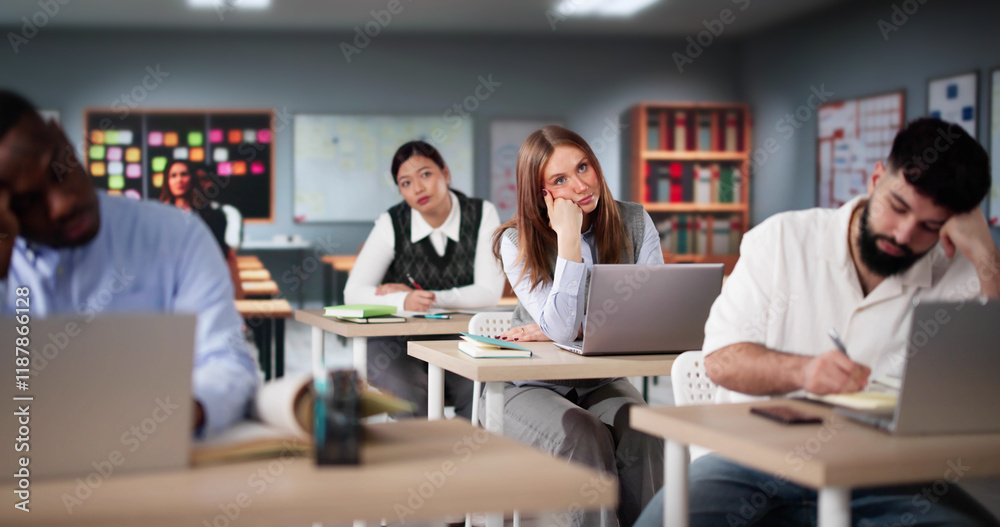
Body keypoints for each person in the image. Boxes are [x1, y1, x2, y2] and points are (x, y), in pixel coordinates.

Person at [634, 118, 1000, 526]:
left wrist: (987, 256)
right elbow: (720, 360)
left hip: (885, 477)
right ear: (876, 178)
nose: (902, 234)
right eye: (898, 207)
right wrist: (803, 372)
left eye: (929, 226)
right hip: (749, 463)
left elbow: (989, 388)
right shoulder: (781, 240)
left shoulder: (961, 269)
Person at [0, 90, 258, 436]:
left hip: (157, 448)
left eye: (59, 170)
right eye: (28, 202)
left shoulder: (176, 235)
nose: (62, 205)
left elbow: (226, 361)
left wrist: (171, 415)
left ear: (62, 137)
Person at [490, 125, 664, 527]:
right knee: (585, 436)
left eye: (583, 167)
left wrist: (566, 327)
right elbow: (565, 330)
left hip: (601, 381)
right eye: (560, 180)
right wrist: (568, 237)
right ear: (541, 194)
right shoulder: (515, 241)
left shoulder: (635, 222)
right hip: (525, 386)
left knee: (646, 432)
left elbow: (652, 316)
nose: (581, 185)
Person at [344, 140, 504, 418]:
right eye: (405, 183)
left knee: (477, 390)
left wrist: (427, 298)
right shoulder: (392, 222)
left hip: (460, 336)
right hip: (394, 340)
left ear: (446, 174)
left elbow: (489, 291)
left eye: (426, 174)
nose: (417, 188)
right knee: (408, 392)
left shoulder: (481, 213)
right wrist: (403, 300)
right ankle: (423, 448)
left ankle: (465, 448)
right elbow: (353, 293)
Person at [160, 160, 244, 299]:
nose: (179, 180)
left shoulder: (213, 216)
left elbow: (223, 255)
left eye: (184, 174)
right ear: (167, 181)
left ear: (193, 178)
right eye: (173, 175)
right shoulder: (159, 216)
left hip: (204, 284)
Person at [195, 167, 243, 250]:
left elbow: (232, 244)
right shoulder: (180, 214)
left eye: (204, 179)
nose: (199, 184)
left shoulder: (228, 212)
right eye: (195, 180)